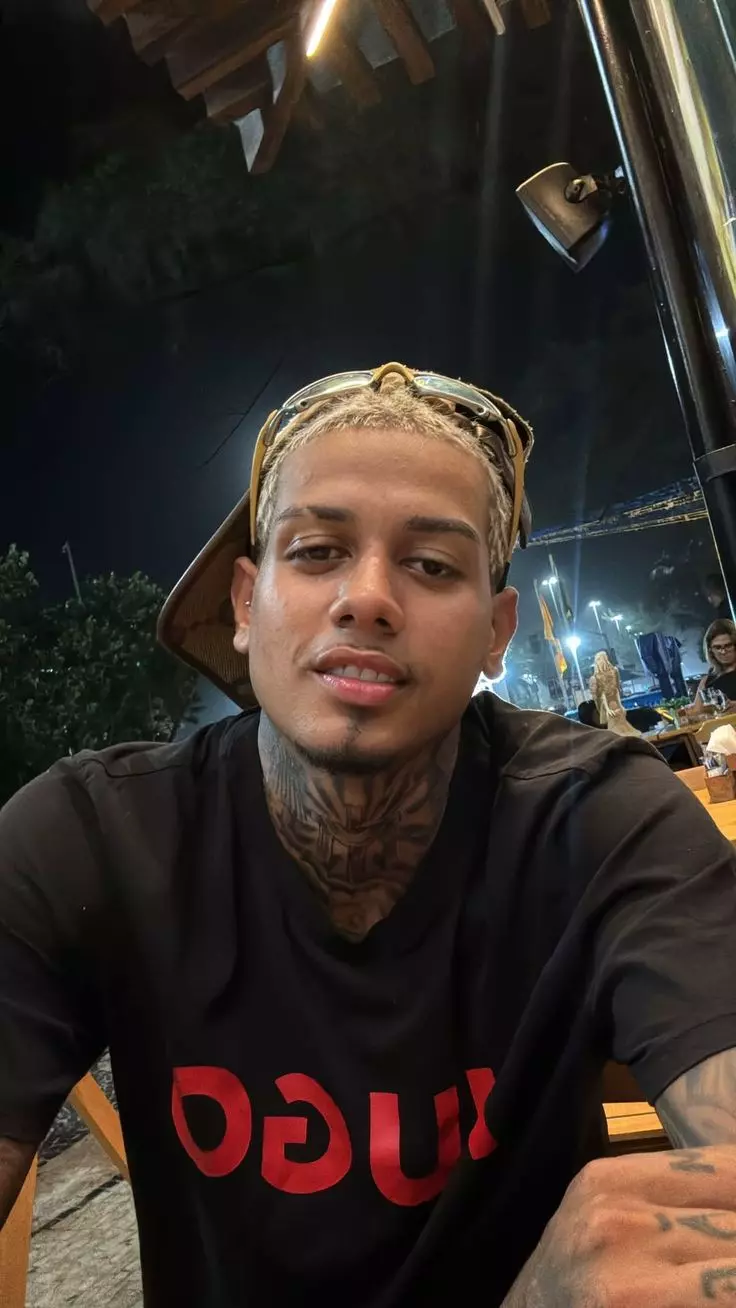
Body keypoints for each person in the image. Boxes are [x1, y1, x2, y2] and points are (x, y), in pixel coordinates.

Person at [3, 362, 736, 1307]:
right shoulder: (92, 840)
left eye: (432, 565)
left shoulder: (596, 816)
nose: (369, 597)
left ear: (496, 633)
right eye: (316, 551)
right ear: (243, 603)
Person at [589, 650, 641, 737]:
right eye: (598, 659)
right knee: (613, 719)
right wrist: (607, 709)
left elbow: (616, 689)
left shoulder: (614, 670)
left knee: (620, 715)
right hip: (605, 703)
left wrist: (620, 705)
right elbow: (601, 695)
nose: (601, 661)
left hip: (614, 700)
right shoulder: (595, 678)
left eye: (602, 658)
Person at [693, 618, 736, 710]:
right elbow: (697, 712)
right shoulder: (707, 680)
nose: (723, 651)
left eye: (728, 646)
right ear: (710, 650)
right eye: (717, 647)